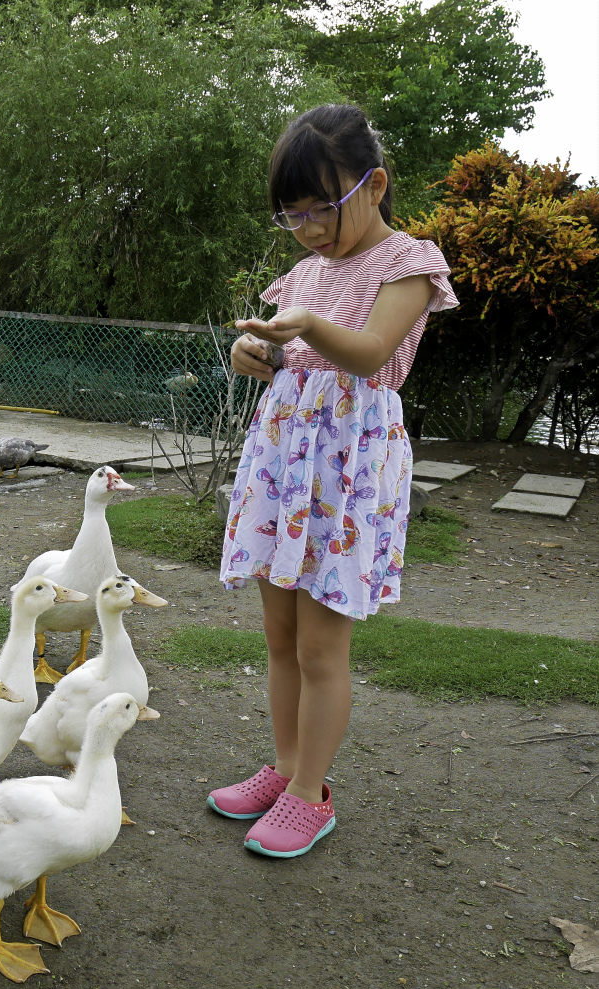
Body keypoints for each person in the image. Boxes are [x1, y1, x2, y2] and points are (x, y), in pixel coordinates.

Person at [209, 104, 458, 858]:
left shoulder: (409, 263)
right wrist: (247, 355)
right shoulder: (305, 271)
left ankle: (310, 795)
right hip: (286, 459)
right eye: (292, 216)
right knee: (279, 637)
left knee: (321, 648)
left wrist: (304, 326)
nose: (310, 229)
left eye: (322, 209)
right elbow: (277, 355)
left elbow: (368, 352)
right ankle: (285, 771)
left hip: (347, 470)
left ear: (373, 184)